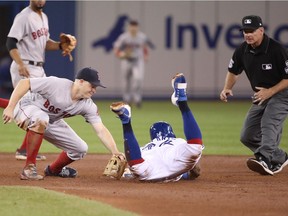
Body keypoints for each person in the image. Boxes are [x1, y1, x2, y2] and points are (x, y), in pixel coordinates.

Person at [2, 67, 123, 180]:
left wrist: (115, 151)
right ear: (81, 81)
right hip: (26, 107)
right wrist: (10, 107)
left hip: (49, 120)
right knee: (41, 118)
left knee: (80, 149)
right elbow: (25, 83)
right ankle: (29, 168)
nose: (94, 90)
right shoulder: (57, 84)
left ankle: (54, 170)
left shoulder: (87, 105)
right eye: (92, 86)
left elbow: (100, 129)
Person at [0, 0, 76, 161]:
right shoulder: (24, 17)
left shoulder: (44, 17)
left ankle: (23, 149)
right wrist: (20, 64)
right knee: (32, 105)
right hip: (25, 66)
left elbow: (45, 43)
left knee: (37, 105)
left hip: (38, 68)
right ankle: (24, 151)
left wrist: (61, 46)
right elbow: (10, 42)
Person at [220, 15, 288, 176]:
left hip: (282, 93)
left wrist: (270, 91)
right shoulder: (242, 50)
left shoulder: (276, 49)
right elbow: (233, 71)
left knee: (269, 121)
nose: (248, 34)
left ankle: (265, 158)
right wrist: (226, 88)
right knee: (247, 136)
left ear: (261, 30)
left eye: (251, 31)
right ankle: (279, 156)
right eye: (245, 31)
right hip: (261, 95)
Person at [110, 73, 203, 182]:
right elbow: (196, 172)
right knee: (195, 147)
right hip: (177, 166)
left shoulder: (145, 148)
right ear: (171, 134)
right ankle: (182, 101)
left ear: (152, 137)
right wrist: (190, 169)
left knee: (137, 166)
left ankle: (126, 123)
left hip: (151, 173)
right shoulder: (178, 141)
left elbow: (129, 174)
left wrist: (127, 171)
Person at [113, 20, 150, 108]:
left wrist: (146, 56)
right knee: (126, 81)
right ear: (129, 27)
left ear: (137, 27)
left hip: (138, 60)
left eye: (135, 26)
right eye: (132, 26)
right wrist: (120, 54)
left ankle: (137, 99)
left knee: (138, 79)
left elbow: (145, 47)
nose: (133, 28)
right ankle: (127, 99)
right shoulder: (124, 37)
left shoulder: (142, 37)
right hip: (126, 60)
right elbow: (116, 48)